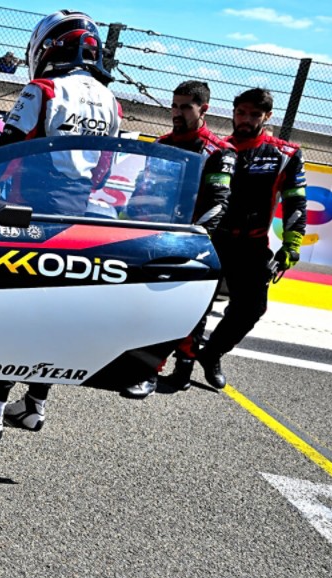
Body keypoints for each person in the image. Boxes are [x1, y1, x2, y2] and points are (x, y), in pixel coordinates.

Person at [0, 9, 122, 442]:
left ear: (47, 47)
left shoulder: (44, 88)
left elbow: (3, 154)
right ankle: (35, 406)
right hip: (79, 215)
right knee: (55, 315)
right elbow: (105, 168)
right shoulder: (110, 100)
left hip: (32, 214)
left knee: (16, 311)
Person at [185, 88, 305, 389]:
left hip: (252, 245)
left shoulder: (286, 154)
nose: (246, 119)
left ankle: (212, 353)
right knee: (194, 305)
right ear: (232, 112)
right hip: (211, 239)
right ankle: (182, 364)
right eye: (241, 113)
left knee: (251, 309)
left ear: (267, 117)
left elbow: (296, 202)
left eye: (254, 115)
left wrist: (291, 245)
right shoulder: (213, 148)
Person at [123, 80, 236, 398]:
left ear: (204, 109)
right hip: (155, 239)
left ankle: (175, 370)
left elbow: (218, 203)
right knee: (149, 310)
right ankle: (146, 368)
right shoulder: (162, 143)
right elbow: (141, 192)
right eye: (174, 105)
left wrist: (190, 241)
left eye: (186, 106)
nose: (177, 112)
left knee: (189, 313)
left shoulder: (220, 152)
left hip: (194, 242)